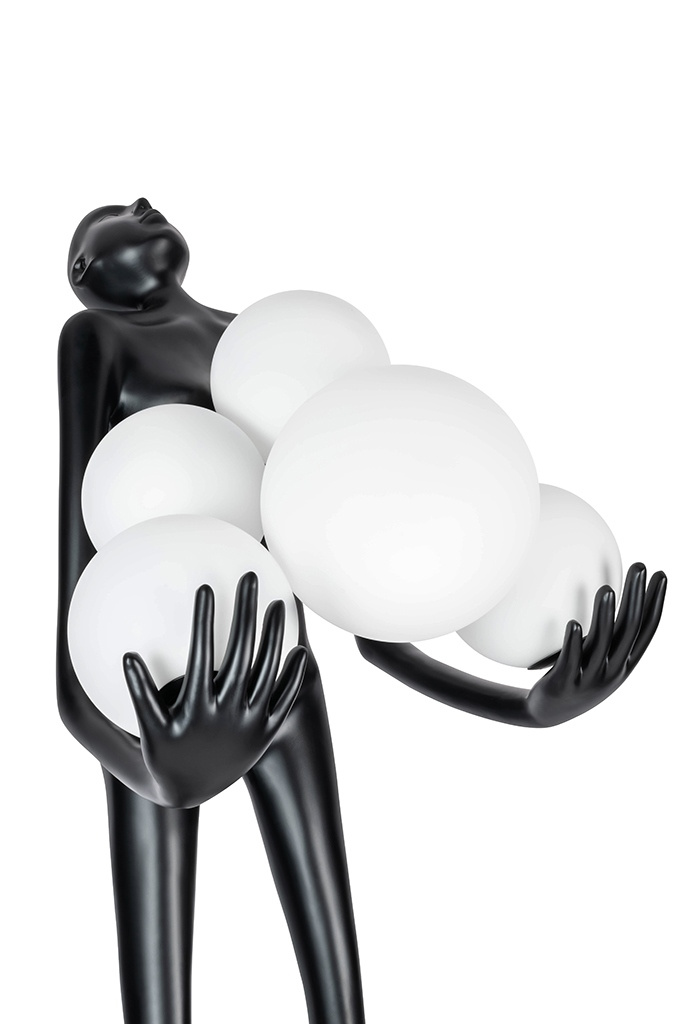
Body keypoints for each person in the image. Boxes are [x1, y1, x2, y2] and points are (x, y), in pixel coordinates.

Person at [58, 198, 666, 1024]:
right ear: (84, 273)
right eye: (111, 219)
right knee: (158, 972)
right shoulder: (94, 338)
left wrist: (523, 706)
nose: (140, 205)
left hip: (278, 666)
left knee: (333, 964)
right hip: (144, 674)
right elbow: (76, 583)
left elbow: (368, 608)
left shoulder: (261, 338)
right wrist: (151, 772)